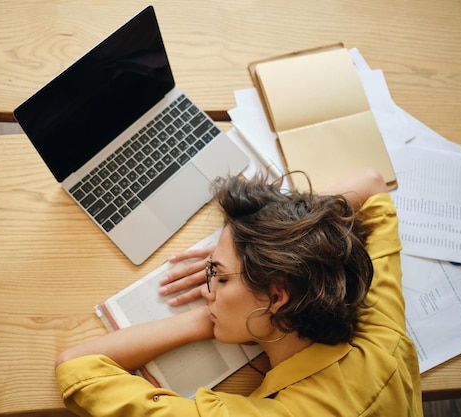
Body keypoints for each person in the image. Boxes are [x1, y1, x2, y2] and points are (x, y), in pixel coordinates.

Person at [55, 168, 423, 417]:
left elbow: (78, 367)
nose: (209, 285)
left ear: (277, 298)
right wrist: (285, 233)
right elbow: (373, 185)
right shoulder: (380, 340)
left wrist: (207, 318)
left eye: (221, 277)